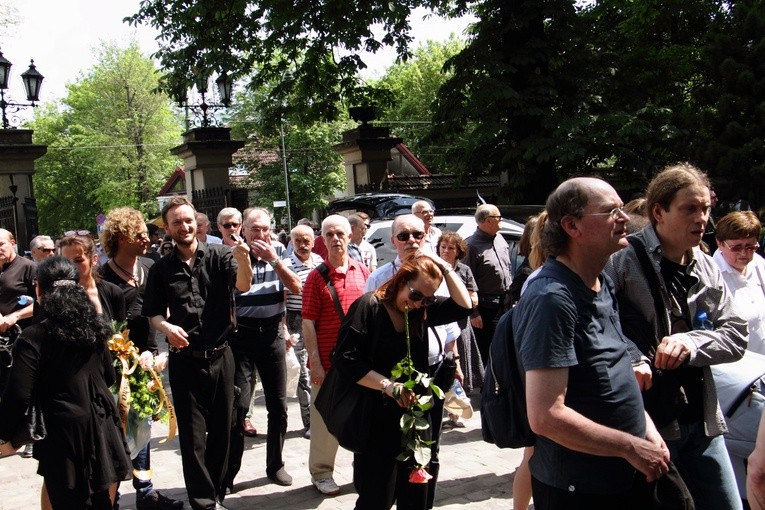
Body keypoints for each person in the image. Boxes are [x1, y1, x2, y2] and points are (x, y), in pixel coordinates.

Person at [515, 177, 670, 509]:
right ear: (572, 226)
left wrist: (647, 430)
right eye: (611, 211)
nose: (625, 217)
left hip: (622, 477)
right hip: (580, 489)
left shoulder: (601, 282)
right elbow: (546, 416)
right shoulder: (552, 298)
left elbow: (615, 369)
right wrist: (631, 447)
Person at [606, 163, 748, 509]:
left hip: (702, 419)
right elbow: (597, 323)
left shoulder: (706, 263)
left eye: (706, 209)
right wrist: (633, 356)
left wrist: (691, 342)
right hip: (648, 422)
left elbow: (736, 334)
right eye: (690, 209)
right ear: (659, 211)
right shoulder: (622, 260)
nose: (702, 219)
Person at [332, 254, 472, 510]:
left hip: (414, 419)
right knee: (376, 498)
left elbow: (465, 306)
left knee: (416, 496)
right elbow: (345, 358)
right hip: (375, 417)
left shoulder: (421, 312)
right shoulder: (369, 306)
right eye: (416, 295)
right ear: (401, 279)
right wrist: (388, 385)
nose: (419, 304)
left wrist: (445, 268)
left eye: (427, 299)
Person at [142, 196, 252, 510]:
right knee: (192, 438)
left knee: (222, 431)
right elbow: (152, 314)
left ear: (196, 222)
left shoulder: (220, 255)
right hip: (185, 362)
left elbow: (243, 285)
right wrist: (166, 328)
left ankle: (215, 494)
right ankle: (203, 502)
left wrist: (243, 258)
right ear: (168, 227)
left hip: (221, 356)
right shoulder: (161, 269)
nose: (184, 226)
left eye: (188, 220)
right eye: (176, 222)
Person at [0, 256, 132, 509]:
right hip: (101, 422)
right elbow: (108, 376)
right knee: (100, 500)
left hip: (62, 430)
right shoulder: (96, 327)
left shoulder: (35, 336)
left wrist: (6, 436)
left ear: (39, 289)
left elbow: (18, 394)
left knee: (67, 499)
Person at [99, 207, 183, 510]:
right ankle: (113, 494)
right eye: (141, 235)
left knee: (144, 424)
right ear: (122, 238)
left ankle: (145, 490)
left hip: (149, 362)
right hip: (118, 367)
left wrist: (158, 351)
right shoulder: (102, 277)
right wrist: (128, 357)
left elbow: (162, 310)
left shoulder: (150, 266)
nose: (148, 239)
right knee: (121, 427)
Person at [223, 207, 301, 491]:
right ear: (243, 229)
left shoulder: (279, 250)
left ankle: (275, 465)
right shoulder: (230, 255)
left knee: (278, 405)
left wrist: (275, 260)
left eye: (266, 229)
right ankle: (228, 472)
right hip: (240, 339)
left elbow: (296, 287)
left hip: (271, 336)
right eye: (255, 229)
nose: (261, 234)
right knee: (239, 406)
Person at [302, 215, 369, 496]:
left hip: (359, 362)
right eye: (329, 234)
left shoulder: (363, 272)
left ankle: (363, 472)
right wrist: (315, 362)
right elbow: (308, 323)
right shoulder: (315, 278)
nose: (335, 239)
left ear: (350, 236)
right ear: (322, 239)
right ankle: (321, 472)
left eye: (340, 233)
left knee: (361, 418)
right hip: (327, 364)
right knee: (324, 421)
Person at [282, 224, 324, 439]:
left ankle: (323, 418)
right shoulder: (286, 265)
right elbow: (283, 302)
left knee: (321, 366)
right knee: (303, 374)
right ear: (291, 242)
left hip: (318, 318)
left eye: (306, 240)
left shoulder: (320, 263)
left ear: (314, 241)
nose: (302, 245)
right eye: (297, 241)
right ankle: (309, 422)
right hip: (296, 318)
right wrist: (285, 330)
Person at [463, 204, 512, 361]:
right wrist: (473, 313)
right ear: (487, 221)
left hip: (505, 304)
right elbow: (465, 281)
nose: (501, 220)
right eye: (498, 217)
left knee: (505, 348)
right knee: (487, 351)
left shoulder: (499, 238)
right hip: (485, 309)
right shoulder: (472, 246)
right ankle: (486, 384)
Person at [712, 211, 765, 355]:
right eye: (736, 247)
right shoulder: (712, 275)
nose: (743, 253)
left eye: (750, 247)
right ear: (719, 243)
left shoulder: (759, 263)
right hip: (736, 367)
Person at [436, 232, 482, 395]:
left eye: (450, 248)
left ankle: (458, 402)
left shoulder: (464, 270)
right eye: (443, 247)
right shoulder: (433, 268)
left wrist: (470, 305)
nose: (446, 251)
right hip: (441, 322)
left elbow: (473, 297)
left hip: (461, 323)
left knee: (460, 361)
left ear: (458, 251)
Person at [59, 233, 125, 323]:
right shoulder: (54, 295)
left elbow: (121, 332)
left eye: (78, 260)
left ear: (94, 259)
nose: (71, 266)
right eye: (66, 261)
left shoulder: (113, 292)